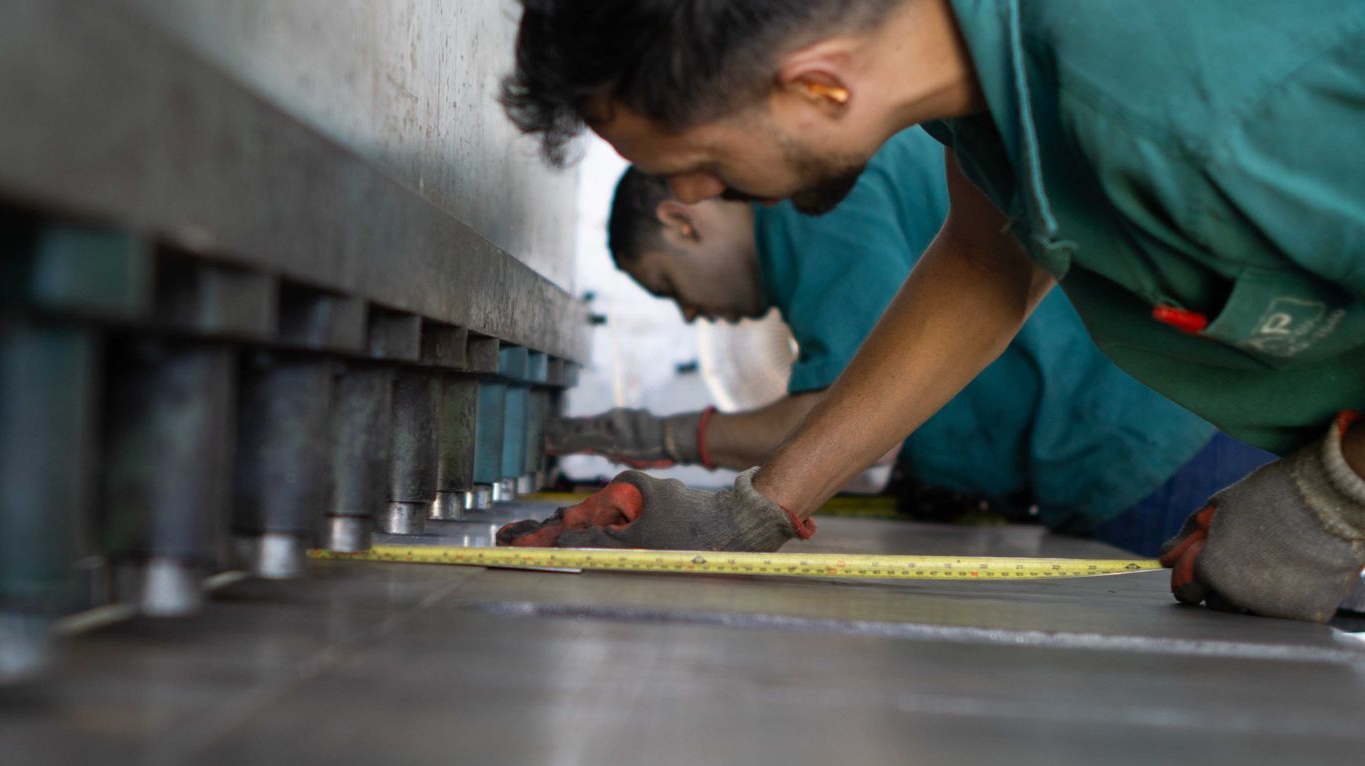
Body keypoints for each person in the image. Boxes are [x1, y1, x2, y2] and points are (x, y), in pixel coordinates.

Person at [497, 0, 1365, 622]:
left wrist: (1335, 497)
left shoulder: (1205, 99)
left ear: (818, 86)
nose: (687, 196)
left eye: (701, 164)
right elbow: (986, 266)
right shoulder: (988, 80)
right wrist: (750, 513)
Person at [546, 137, 1269, 556]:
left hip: (1147, 455)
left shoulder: (804, 207)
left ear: (682, 220)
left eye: (671, 288)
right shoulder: (833, 194)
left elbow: (833, 412)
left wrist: (670, 435)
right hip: (1150, 439)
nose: (697, 314)